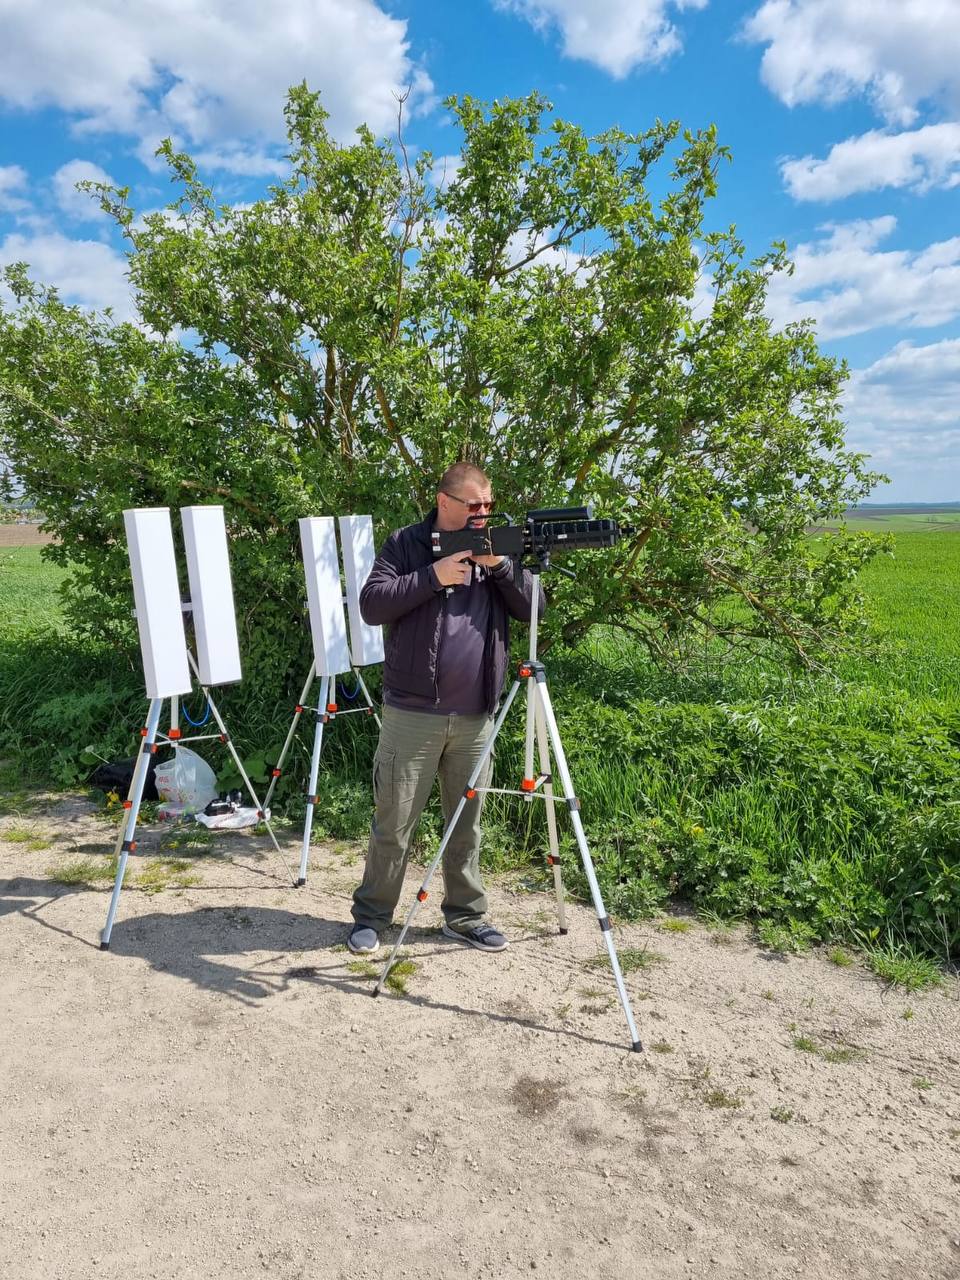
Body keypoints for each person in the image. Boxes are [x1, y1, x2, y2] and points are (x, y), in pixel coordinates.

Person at [347, 462, 543, 956]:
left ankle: (465, 918)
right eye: (474, 505)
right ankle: (372, 917)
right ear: (445, 502)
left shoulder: (495, 544)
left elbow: (533, 608)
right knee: (393, 822)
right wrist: (431, 577)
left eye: (488, 505)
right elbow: (372, 605)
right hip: (412, 713)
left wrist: (500, 567)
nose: (483, 513)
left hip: (476, 714)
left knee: (465, 824)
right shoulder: (407, 544)